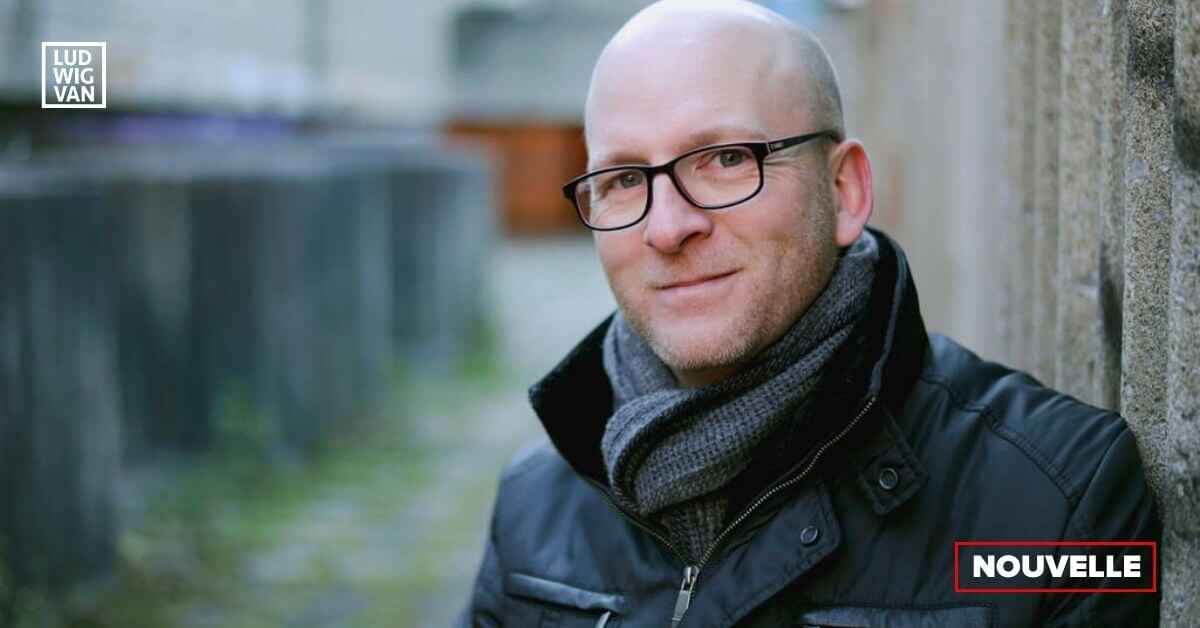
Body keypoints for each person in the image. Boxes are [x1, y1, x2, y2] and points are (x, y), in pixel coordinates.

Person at [458, 1, 1161, 625]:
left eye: (726, 159)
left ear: (845, 191)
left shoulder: (1061, 503)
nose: (667, 228)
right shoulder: (531, 508)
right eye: (622, 179)